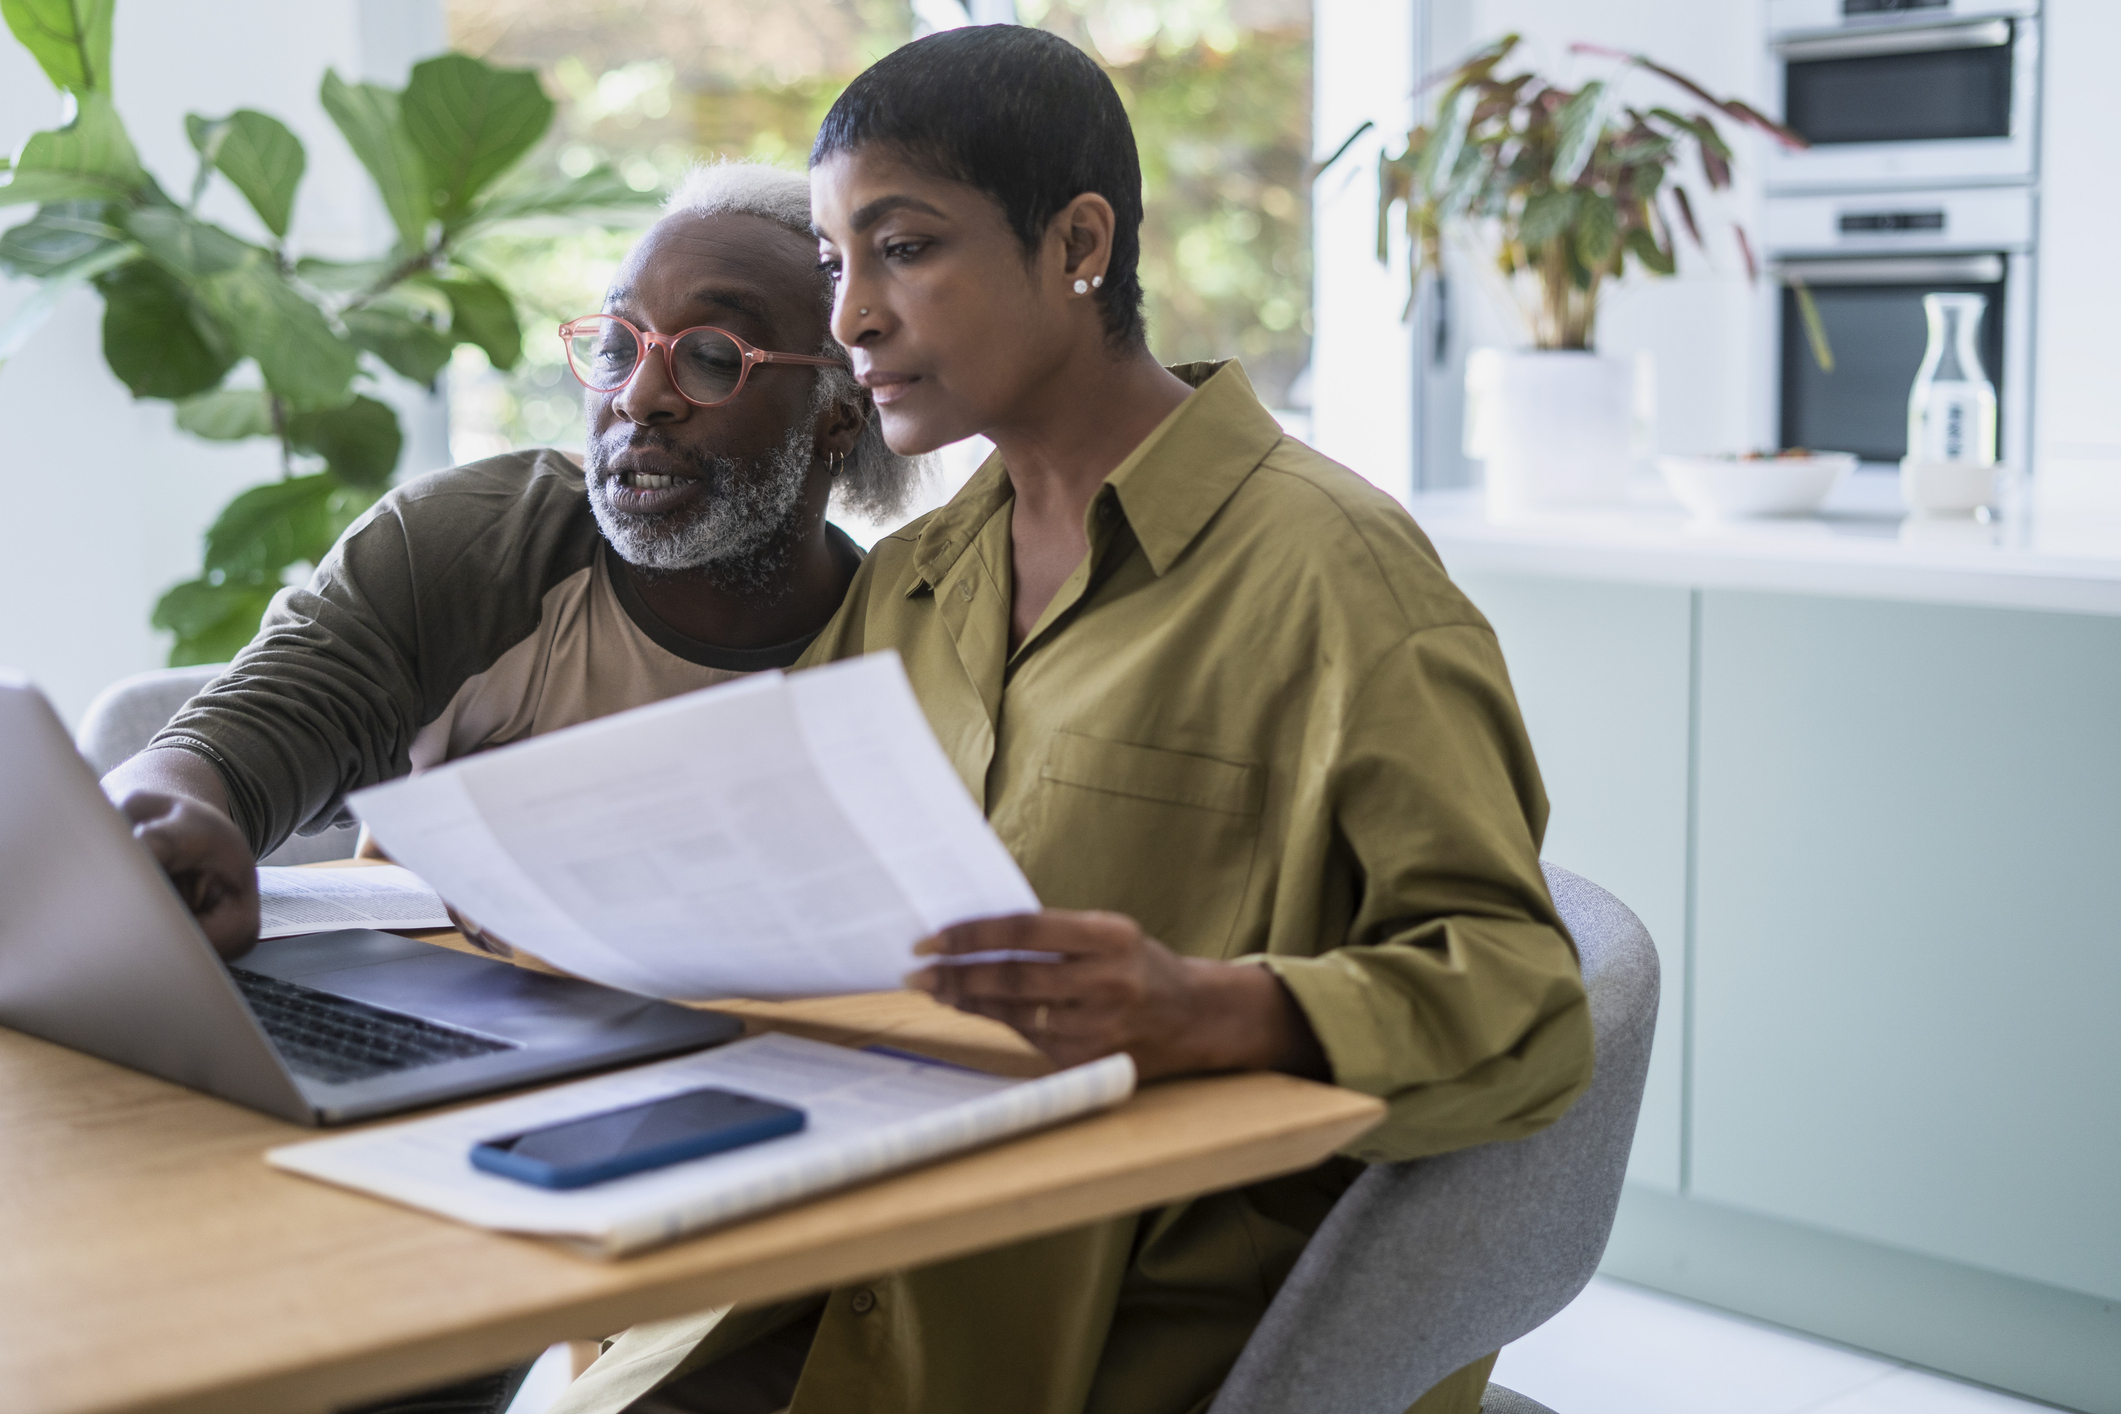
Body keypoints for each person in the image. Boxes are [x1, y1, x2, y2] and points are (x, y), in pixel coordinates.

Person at [554, 27, 1594, 1414]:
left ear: (1079, 244)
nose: (853, 314)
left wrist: (1216, 1006)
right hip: (823, 1266)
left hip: (1094, 1343)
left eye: (904, 247)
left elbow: (1525, 996)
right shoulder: (921, 577)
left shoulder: (1336, 573)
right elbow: (805, 873)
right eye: (832, 262)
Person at [103, 162, 924, 963]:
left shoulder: (914, 638)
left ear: (842, 415)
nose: (639, 397)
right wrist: (163, 821)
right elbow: (230, 746)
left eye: (710, 357)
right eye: (616, 345)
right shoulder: (474, 543)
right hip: (455, 1026)